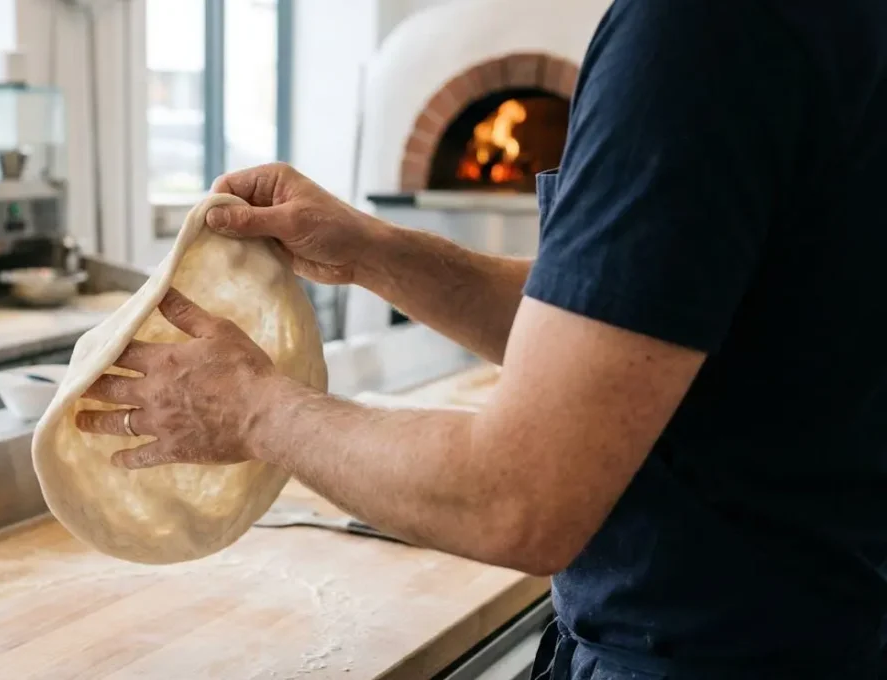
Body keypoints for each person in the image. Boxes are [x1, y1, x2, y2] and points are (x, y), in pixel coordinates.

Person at [79, 0, 887, 677]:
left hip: (714, 651)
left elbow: (518, 499)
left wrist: (255, 410)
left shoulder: (701, 31)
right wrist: (373, 251)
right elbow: (640, 322)